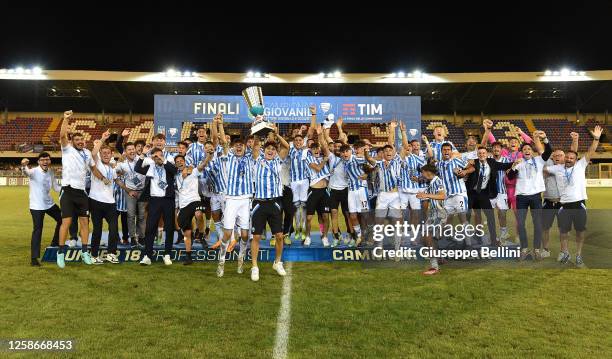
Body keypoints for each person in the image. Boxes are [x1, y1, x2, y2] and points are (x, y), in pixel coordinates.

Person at [545, 126, 602, 267]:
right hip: (564, 205)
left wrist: (596, 138)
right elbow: (543, 168)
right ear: (564, 159)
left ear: (576, 160)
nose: (569, 159)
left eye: (572, 158)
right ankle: (565, 253)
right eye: (568, 158)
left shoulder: (580, 165)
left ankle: (578, 255)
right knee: (564, 232)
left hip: (579, 204)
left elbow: (591, 151)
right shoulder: (557, 168)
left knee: (580, 231)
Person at [250, 129, 290, 281]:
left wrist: (277, 133)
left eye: (273, 149)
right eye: (268, 148)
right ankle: (255, 267)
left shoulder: (278, 160)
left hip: (274, 203)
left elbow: (286, 147)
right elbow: (255, 146)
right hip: (259, 203)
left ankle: (277, 262)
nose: (271, 151)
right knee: (256, 236)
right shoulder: (258, 159)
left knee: (279, 236)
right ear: (264, 150)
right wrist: (257, 131)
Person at [57, 110, 94, 268]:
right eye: (76, 139)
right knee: (66, 222)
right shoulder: (67, 149)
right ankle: (60, 253)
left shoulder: (87, 153)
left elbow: (93, 166)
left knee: (85, 223)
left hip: (81, 193)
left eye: (81, 139)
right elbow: (62, 136)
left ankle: (85, 252)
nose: (79, 141)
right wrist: (65, 119)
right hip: (68, 191)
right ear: (72, 141)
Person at [215, 137, 257, 278]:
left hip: (245, 200)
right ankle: (221, 262)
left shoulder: (250, 158)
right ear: (232, 147)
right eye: (236, 145)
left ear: (245, 147)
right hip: (231, 200)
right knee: (227, 234)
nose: (239, 147)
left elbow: (255, 145)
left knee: (245, 235)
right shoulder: (229, 157)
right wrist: (220, 124)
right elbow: (225, 143)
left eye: (241, 145)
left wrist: (257, 127)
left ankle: (241, 259)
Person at [509, 130, 552, 260]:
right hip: (521, 197)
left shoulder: (539, 160)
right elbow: (510, 177)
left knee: (537, 224)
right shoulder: (519, 163)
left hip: (535, 197)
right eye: (525, 149)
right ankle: (524, 249)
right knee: (521, 224)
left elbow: (548, 152)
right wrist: (513, 166)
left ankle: (537, 249)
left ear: (532, 152)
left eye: (529, 148)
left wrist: (545, 139)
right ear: (522, 152)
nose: (527, 150)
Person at [89, 131, 129, 264]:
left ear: (112, 155)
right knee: (97, 230)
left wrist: (129, 190)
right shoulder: (97, 163)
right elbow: (93, 154)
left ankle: (111, 254)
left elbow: (117, 181)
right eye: (103, 153)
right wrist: (102, 138)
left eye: (108, 153)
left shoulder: (113, 168)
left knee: (113, 229)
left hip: (110, 203)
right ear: (101, 155)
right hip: (95, 201)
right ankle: (94, 255)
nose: (106, 155)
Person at [464, 146, 515, 246]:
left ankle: (493, 240)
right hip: (471, 193)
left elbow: (504, 165)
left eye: (484, 153)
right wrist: (464, 169)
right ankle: (466, 240)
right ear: (477, 155)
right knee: (467, 216)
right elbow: (464, 171)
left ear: (487, 154)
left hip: (483, 193)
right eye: (480, 153)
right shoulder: (473, 162)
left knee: (490, 216)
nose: (482, 155)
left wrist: (515, 162)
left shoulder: (492, 163)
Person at [135, 147, 177, 266]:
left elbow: (175, 171)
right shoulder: (150, 167)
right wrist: (143, 154)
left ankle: (167, 254)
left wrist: (163, 160)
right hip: (154, 200)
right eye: (155, 156)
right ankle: (148, 255)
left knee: (169, 227)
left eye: (160, 155)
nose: (158, 157)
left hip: (168, 199)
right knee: (150, 227)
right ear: (152, 157)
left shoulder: (168, 165)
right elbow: (137, 168)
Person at [21, 153, 62, 266]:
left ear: (49, 161)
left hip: (49, 204)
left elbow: (56, 187)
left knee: (62, 219)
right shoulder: (33, 171)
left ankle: (55, 242)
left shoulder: (51, 172)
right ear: (39, 162)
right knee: (38, 230)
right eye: (42, 160)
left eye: (47, 160)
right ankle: (34, 258)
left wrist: (67, 188)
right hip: (36, 206)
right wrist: (24, 165)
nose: (45, 161)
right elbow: (26, 172)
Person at [289, 106, 317, 242]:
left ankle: (304, 227)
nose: (299, 142)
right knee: (296, 206)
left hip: (305, 180)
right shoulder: (289, 147)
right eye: (297, 140)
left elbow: (311, 131)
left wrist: (313, 114)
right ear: (293, 141)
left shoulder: (306, 148)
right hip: (293, 181)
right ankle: (298, 227)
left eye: (301, 140)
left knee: (304, 205)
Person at [174, 154, 208, 265]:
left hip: (195, 200)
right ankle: (188, 256)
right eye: (177, 161)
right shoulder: (176, 176)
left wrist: (209, 156)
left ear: (185, 161)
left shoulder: (192, 171)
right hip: (183, 205)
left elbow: (202, 165)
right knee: (187, 233)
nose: (179, 162)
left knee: (199, 214)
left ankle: (201, 235)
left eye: (181, 161)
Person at [436, 143, 471, 245]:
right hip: (447, 196)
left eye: (448, 149)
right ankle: (441, 240)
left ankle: (468, 244)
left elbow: (471, 167)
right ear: (441, 152)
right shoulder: (438, 165)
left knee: (462, 217)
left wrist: (464, 172)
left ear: (451, 151)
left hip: (459, 193)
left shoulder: (456, 160)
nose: (446, 151)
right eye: (444, 150)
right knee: (445, 219)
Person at [304, 125, 332, 246]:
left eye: (317, 148)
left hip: (324, 191)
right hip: (313, 191)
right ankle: (308, 236)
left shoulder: (323, 156)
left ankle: (325, 237)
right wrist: (325, 160)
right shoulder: (309, 160)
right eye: (313, 148)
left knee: (325, 216)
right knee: (309, 217)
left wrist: (320, 134)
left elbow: (326, 147)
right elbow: (318, 168)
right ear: (310, 150)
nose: (316, 150)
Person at [416, 164, 446, 275]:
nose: (422, 175)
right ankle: (439, 259)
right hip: (434, 213)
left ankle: (434, 266)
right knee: (428, 238)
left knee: (428, 237)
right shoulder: (431, 182)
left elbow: (442, 196)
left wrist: (427, 195)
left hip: (439, 213)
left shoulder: (437, 181)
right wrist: (424, 196)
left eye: (422, 172)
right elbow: (430, 197)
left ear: (428, 172)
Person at [115, 141, 146, 248]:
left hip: (142, 192)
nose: (132, 151)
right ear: (125, 152)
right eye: (129, 149)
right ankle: (132, 238)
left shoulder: (143, 160)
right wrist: (127, 190)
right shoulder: (122, 164)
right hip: (130, 192)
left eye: (133, 149)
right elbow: (115, 176)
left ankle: (141, 237)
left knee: (142, 216)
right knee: (131, 216)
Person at [342, 141, 370, 246]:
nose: (345, 154)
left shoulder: (356, 158)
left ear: (350, 151)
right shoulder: (344, 160)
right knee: (352, 215)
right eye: (343, 152)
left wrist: (367, 173)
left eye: (347, 151)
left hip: (361, 190)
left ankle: (366, 235)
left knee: (365, 214)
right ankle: (359, 236)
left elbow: (368, 162)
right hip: (351, 191)